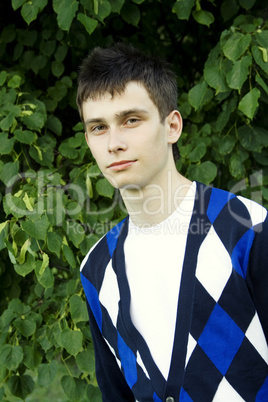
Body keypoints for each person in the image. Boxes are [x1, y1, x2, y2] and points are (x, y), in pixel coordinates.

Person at [76, 42, 268, 401]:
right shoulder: (97, 268)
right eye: (98, 127)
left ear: (172, 126)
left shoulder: (247, 229)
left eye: (131, 120)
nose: (114, 143)